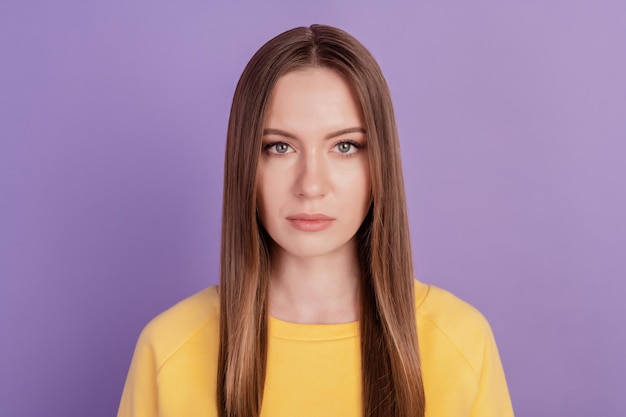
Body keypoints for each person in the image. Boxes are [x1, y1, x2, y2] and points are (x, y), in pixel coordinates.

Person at [117, 24, 514, 417]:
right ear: (245, 164)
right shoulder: (168, 348)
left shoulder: (461, 340)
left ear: (380, 165)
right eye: (280, 147)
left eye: (345, 146)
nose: (310, 185)